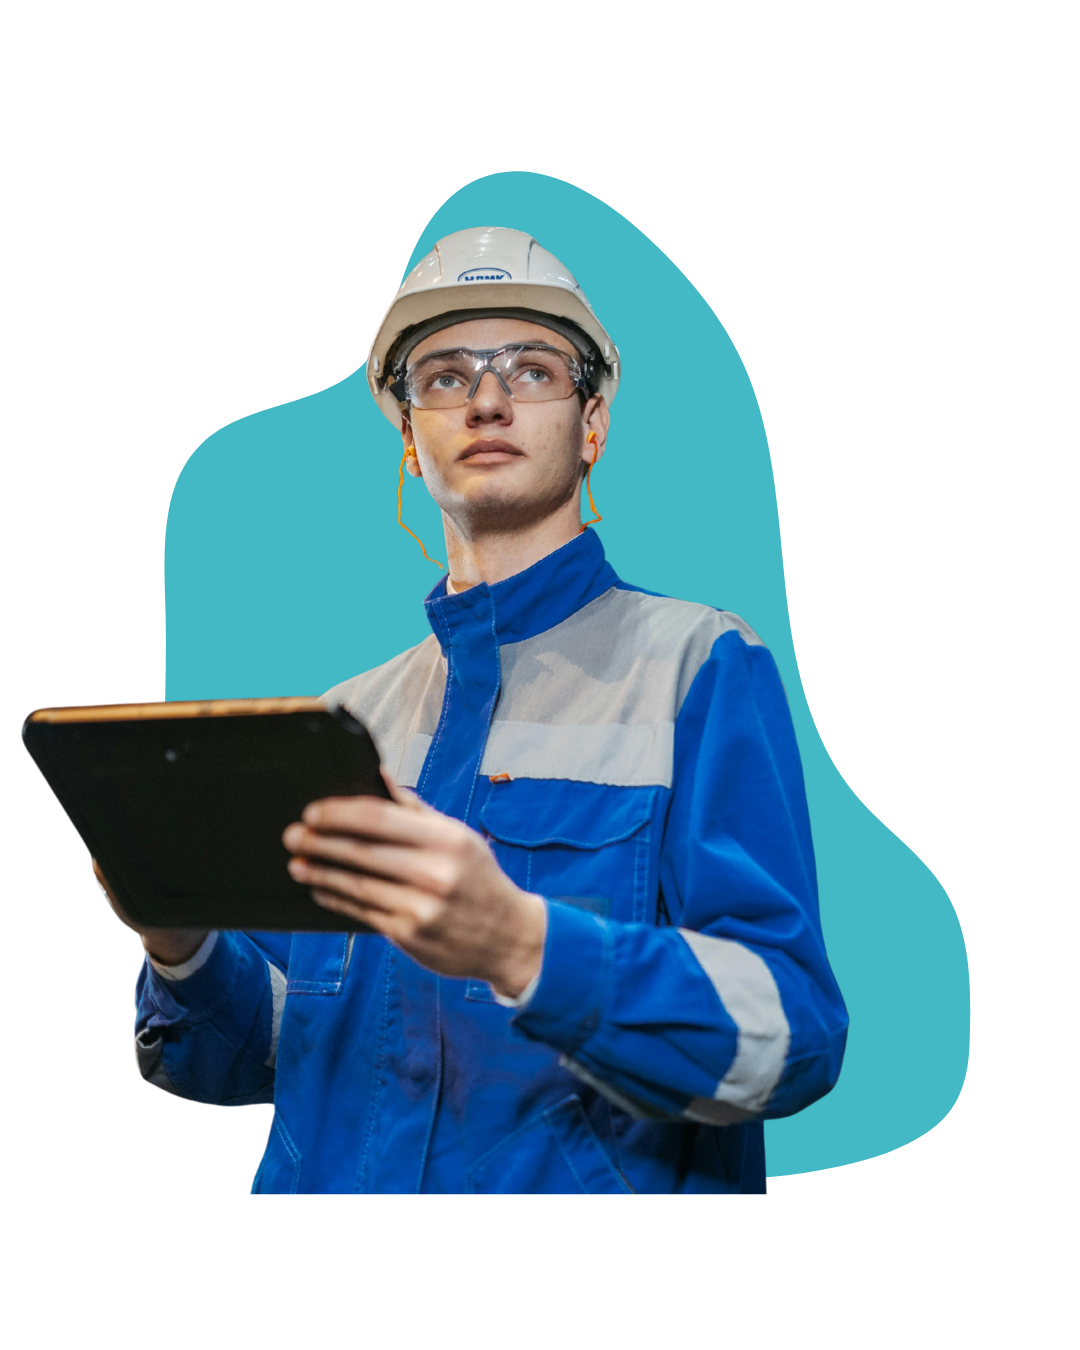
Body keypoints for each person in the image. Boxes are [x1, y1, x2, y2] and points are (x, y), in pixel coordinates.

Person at [100, 226, 849, 1206]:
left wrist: (522, 946)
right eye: (445, 375)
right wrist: (177, 939)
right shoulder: (340, 723)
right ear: (408, 436)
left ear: (594, 423)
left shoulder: (697, 666)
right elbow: (265, 1056)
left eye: (531, 369)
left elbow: (791, 1037)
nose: (487, 397)